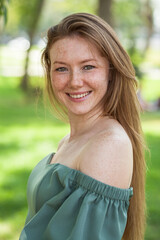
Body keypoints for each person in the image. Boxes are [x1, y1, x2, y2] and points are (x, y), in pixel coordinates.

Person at [19, 13, 146, 240]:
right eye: (61, 69)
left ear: (111, 71)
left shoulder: (109, 145)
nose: (75, 81)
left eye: (88, 67)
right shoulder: (70, 140)